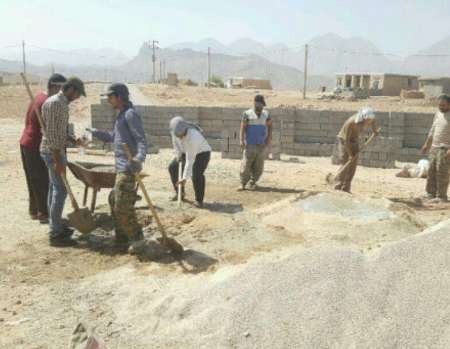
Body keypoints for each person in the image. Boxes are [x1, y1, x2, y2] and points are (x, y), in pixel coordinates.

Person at [87, 83, 147, 244]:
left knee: (121, 205)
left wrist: (138, 159)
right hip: (120, 168)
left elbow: (141, 140)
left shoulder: (130, 115)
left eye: (110, 97)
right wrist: (97, 133)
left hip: (128, 167)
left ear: (119, 97)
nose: (108, 100)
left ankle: (138, 239)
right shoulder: (121, 115)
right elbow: (114, 136)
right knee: (113, 199)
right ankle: (122, 236)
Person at [40, 77, 86, 246]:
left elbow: (59, 131)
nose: (77, 98)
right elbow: (52, 136)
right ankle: (55, 234)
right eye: (78, 94)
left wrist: (75, 140)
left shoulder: (59, 103)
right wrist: (57, 159)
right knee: (60, 191)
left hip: (56, 151)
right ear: (71, 89)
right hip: (54, 152)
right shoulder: (56, 104)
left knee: (54, 189)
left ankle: (56, 225)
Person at [20, 73, 66, 223]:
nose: (62, 93)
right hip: (34, 145)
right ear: (55, 87)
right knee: (42, 180)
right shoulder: (47, 102)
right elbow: (49, 129)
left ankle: (34, 211)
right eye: (61, 89)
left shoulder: (40, 97)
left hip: (26, 142)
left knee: (33, 179)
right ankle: (44, 213)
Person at [333, 107, 379, 193]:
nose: (369, 122)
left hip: (354, 140)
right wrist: (350, 155)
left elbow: (373, 121)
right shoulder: (351, 123)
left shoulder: (369, 118)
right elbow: (346, 141)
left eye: (370, 120)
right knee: (345, 162)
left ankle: (346, 187)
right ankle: (338, 185)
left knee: (353, 165)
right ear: (363, 118)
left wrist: (375, 130)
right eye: (368, 120)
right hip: (344, 141)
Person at [169, 116, 211, 208]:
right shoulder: (174, 132)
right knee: (173, 167)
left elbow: (190, 160)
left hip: (202, 154)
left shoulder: (193, 137)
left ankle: (199, 200)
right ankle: (180, 193)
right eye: (178, 136)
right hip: (185, 152)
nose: (180, 137)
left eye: (182, 135)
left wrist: (184, 178)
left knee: (196, 174)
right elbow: (175, 144)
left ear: (185, 129)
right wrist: (178, 155)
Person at [238, 95, 272, 191]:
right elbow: (242, 127)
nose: (261, 107)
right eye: (260, 104)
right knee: (246, 165)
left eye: (262, 105)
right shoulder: (247, 114)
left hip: (261, 144)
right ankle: (242, 183)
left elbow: (270, 125)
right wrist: (241, 140)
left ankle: (252, 182)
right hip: (250, 144)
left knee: (259, 167)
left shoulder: (266, 114)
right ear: (255, 103)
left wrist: (269, 137)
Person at [421, 94, 450, 203]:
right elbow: (432, 130)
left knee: (442, 172)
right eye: (439, 105)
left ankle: (441, 196)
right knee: (431, 171)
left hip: (445, 148)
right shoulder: (438, 113)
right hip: (434, 147)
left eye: (443, 105)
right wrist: (426, 145)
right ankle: (430, 194)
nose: (441, 107)